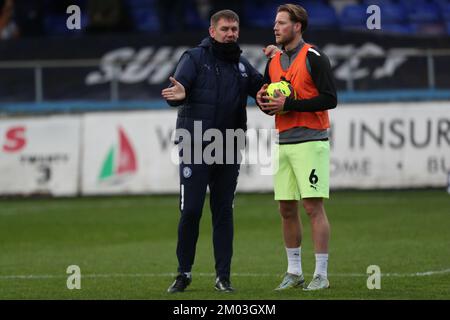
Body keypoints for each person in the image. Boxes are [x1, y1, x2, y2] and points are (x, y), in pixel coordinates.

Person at [161, 9, 274, 293]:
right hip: (196, 145)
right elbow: (180, 87)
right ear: (212, 31)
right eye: (225, 29)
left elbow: (265, 91)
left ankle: (223, 277)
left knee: (223, 212)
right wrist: (179, 96)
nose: (231, 33)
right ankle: (183, 273)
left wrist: (276, 62)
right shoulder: (194, 58)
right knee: (191, 211)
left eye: (234, 29)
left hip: (229, 147)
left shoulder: (241, 65)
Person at [256, 3, 337, 291]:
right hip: (284, 142)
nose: (275, 27)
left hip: (311, 142)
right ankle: (294, 273)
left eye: (281, 23)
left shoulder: (314, 57)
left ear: (297, 26)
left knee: (313, 207)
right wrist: (263, 101)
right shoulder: (274, 62)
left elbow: (330, 99)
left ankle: (321, 275)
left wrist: (288, 104)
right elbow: (269, 98)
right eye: (275, 23)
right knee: (286, 209)